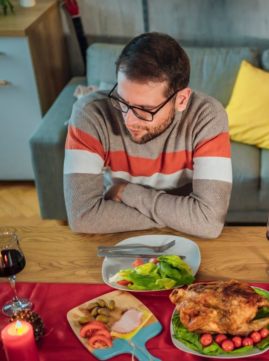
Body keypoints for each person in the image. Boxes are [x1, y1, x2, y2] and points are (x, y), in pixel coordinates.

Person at [64, 32, 232, 238]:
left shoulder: (208, 116)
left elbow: (208, 222)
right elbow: (83, 217)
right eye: (122, 101)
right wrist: (185, 217)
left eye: (145, 109)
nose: (129, 120)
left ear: (181, 99)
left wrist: (128, 192)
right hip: (118, 233)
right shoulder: (90, 113)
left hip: (183, 237)